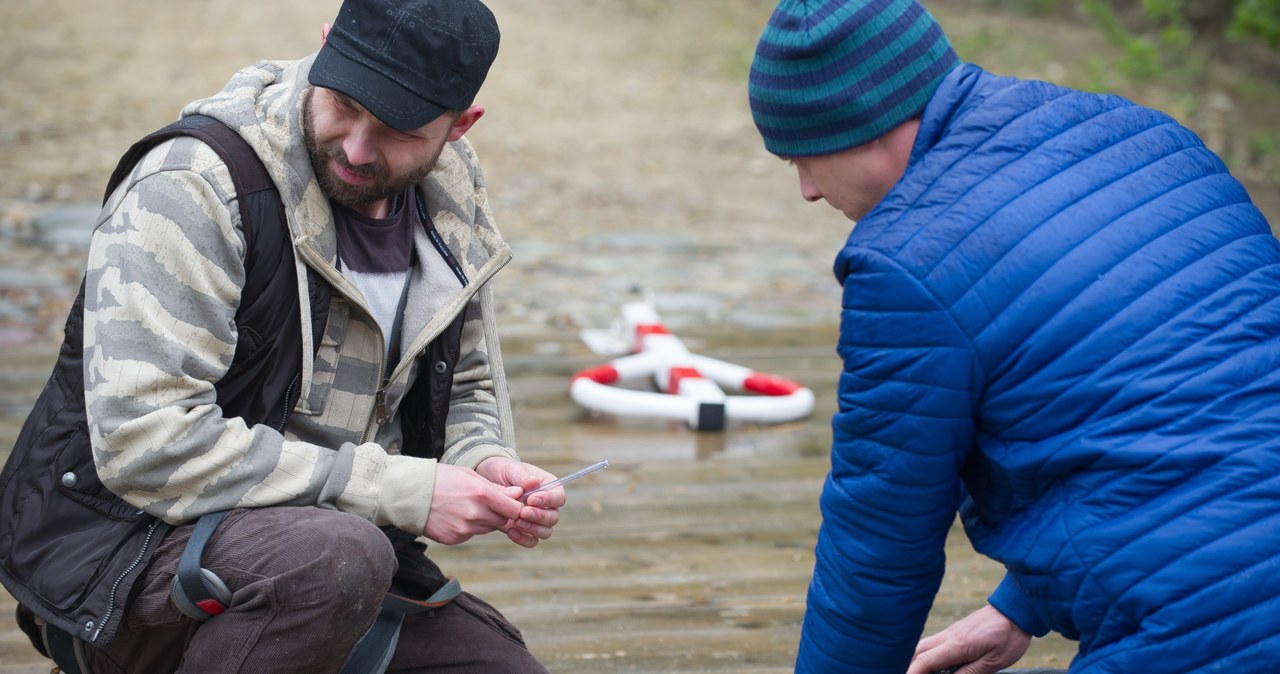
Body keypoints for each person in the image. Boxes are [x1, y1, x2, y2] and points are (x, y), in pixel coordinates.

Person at [0, 0, 565, 671]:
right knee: (333, 560)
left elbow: (465, 386)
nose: (357, 148)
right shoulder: (193, 184)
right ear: (325, 48)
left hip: (335, 565)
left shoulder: (450, 187)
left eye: (398, 129)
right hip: (118, 567)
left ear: (459, 125)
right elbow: (144, 442)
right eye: (346, 105)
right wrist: (403, 491)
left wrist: (482, 462)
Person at [747, 1, 1280, 673]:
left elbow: (877, 548)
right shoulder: (1140, 133)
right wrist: (1021, 604)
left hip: (1207, 629)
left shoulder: (904, 260)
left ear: (865, 124)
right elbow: (1186, 408)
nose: (807, 191)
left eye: (804, 158)